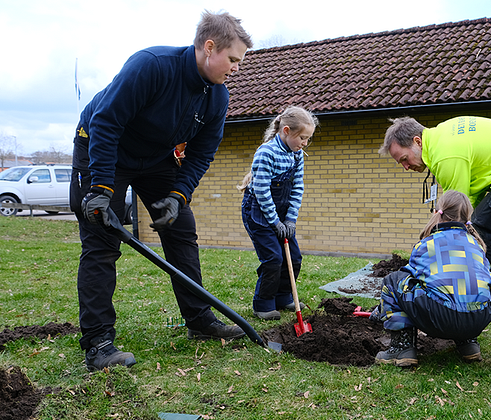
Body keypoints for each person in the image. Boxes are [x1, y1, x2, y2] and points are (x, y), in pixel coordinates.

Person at [70, 10, 253, 371]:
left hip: (154, 160)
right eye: (232, 60)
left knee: (181, 228)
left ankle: (199, 319)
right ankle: (98, 341)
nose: (236, 68)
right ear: (209, 46)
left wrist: (177, 196)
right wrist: (103, 188)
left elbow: (201, 155)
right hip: (103, 147)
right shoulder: (152, 65)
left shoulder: (216, 97)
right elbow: (106, 122)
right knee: (102, 241)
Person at [379, 116, 491, 312]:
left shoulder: (445, 155)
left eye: (404, 159)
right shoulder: (440, 140)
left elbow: (456, 214)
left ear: (417, 142)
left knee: (483, 230)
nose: (405, 167)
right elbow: (468, 199)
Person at [373, 190, 491, 367]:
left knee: (394, 281)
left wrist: (382, 310)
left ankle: (402, 347)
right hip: (479, 317)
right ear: (467, 217)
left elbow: (411, 278)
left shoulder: (426, 244)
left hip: (440, 317)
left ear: (437, 213)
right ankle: (468, 344)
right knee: (467, 286)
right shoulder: (476, 245)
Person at [238, 106, 318, 320]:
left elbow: (297, 187)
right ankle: (263, 304)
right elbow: (263, 192)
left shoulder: (297, 155)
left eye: (308, 139)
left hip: (282, 214)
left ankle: (283, 297)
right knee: (273, 258)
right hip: (258, 213)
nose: (304, 143)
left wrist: (290, 219)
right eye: (302, 137)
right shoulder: (266, 153)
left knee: (294, 257)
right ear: (285, 131)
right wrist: (275, 222)